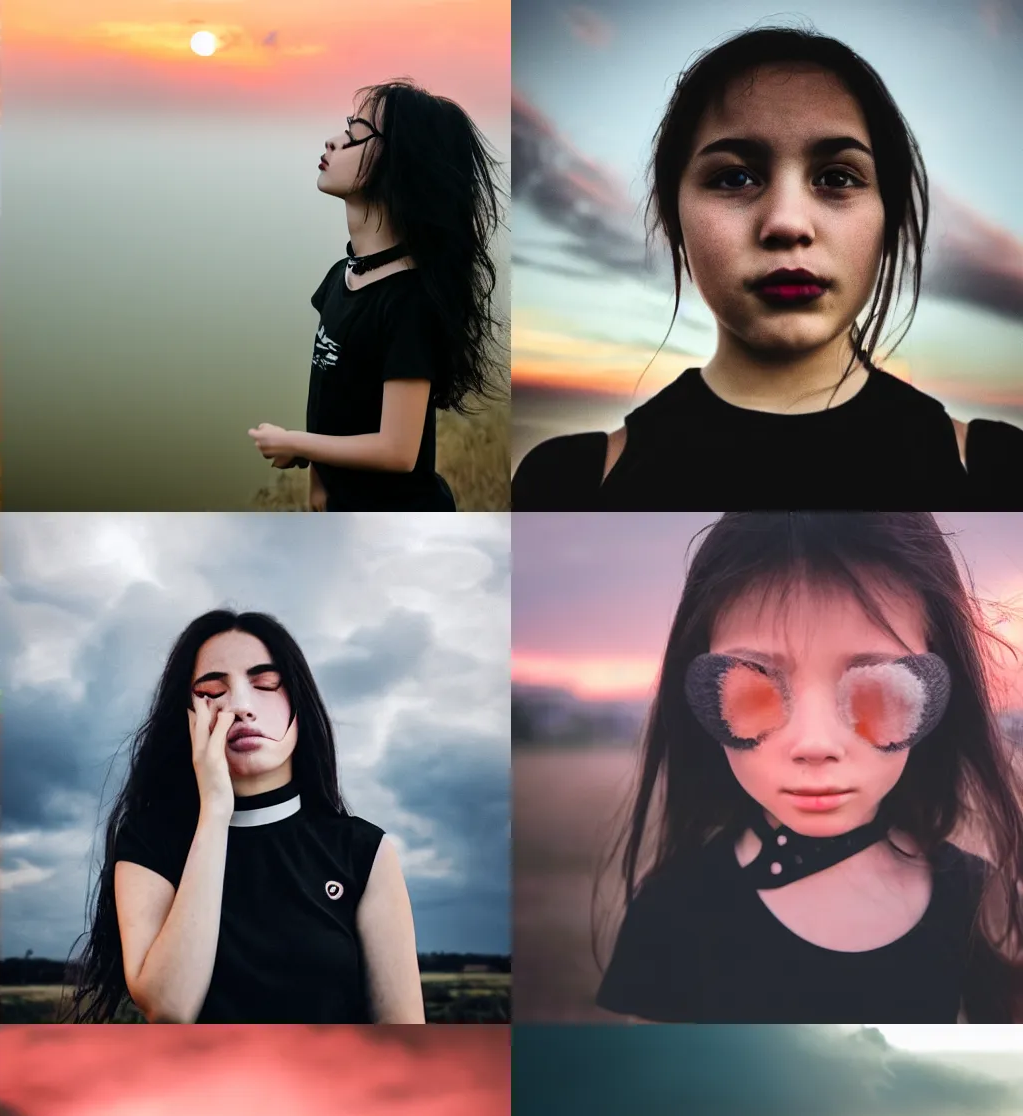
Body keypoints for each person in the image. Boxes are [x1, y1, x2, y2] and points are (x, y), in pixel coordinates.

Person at [511, 27, 1023, 509]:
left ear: (887, 221)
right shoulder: (567, 482)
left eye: (838, 179)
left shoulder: (1000, 472)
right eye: (735, 178)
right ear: (675, 219)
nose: (786, 223)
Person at [594, 513, 1023, 1023]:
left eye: (878, 689)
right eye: (755, 690)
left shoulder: (981, 903)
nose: (814, 744)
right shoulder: (674, 910)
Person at [64, 609, 424, 1023]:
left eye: (265, 683)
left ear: (299, 702)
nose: (240, 705)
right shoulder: (150, 841)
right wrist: (215, 810)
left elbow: (405, 1035)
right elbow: (169, 1007)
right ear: (187, 717)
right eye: (212, 691)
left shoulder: (363, 851)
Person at [248, 81, 506, 511]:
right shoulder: (342, 277)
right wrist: (319, 483)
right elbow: (326, 394)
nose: (334, 139)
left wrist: (297, 444)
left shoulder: (409, 303)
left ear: (400, 165)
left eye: (355, 134)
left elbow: (398, 450)